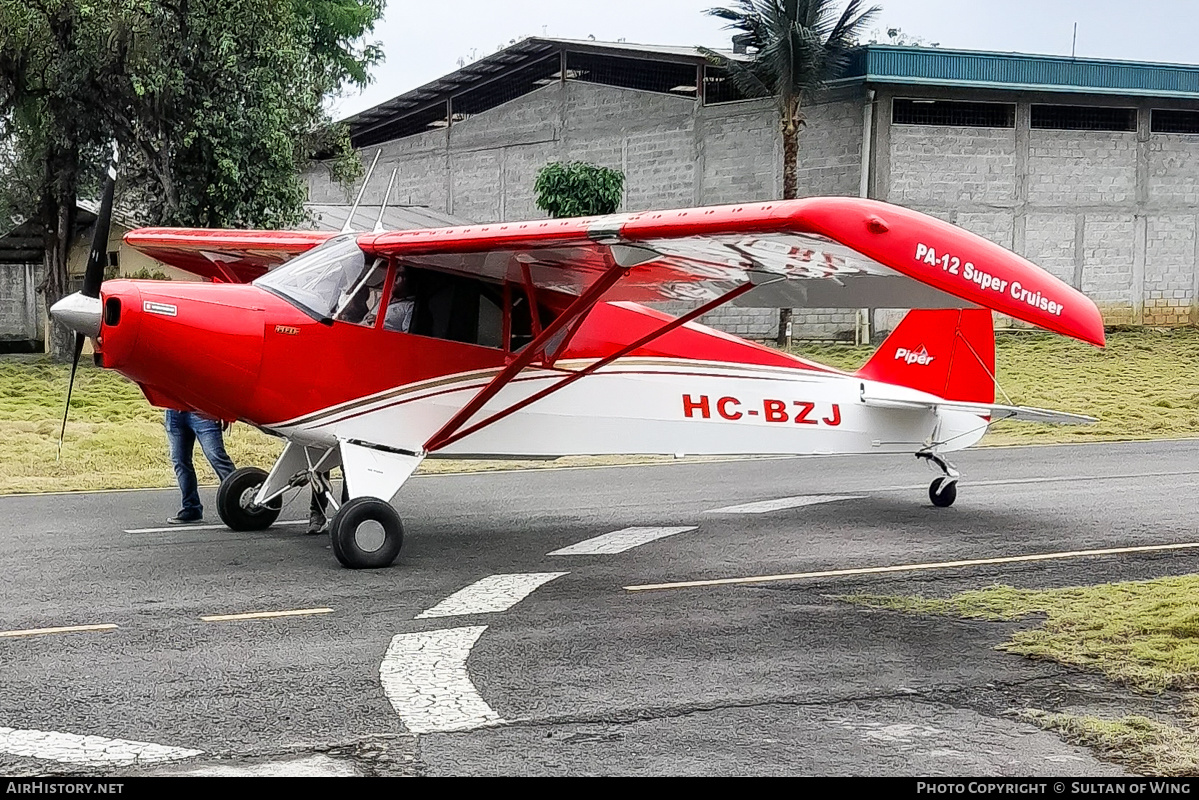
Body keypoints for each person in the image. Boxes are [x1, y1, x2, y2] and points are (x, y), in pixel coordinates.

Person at [165, 409, 237, 524]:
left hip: (202, 410)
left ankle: (240, 500)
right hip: (174, 411)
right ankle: (191, 508)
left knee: (216, 457)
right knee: (180, 460)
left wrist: (225, 413)